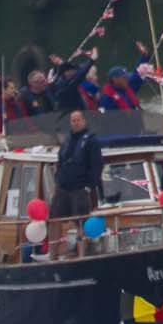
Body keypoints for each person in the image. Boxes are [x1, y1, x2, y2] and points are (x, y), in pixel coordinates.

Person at [48, 111, 104, 259]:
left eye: (78, 120)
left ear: (84, 121)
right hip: (63, 187)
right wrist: (57, 179)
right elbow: (60, 161)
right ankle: (52, 254)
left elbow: (97, 166)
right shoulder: (67, 140)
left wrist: (88, 186)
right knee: (54, 219)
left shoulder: (92, 141)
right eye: (73, 120)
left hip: (80, 188)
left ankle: (81, 255)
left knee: (80, 222)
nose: (75, 123)